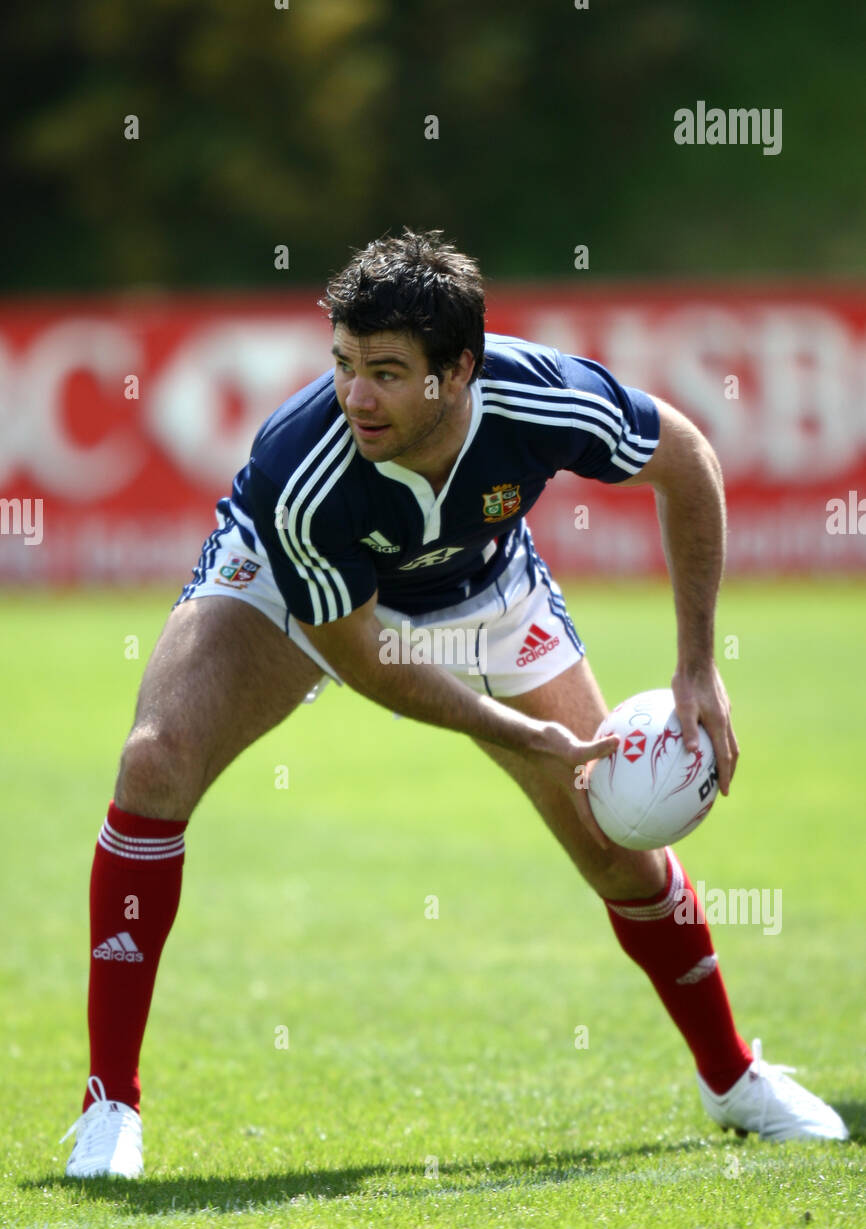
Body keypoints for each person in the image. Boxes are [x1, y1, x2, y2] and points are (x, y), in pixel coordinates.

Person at [61, 230, 847, 1178]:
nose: (355, 395)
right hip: (297, 596)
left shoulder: (541, 396)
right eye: (344, 365)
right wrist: (520, 732)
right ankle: (110, 1105)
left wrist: (696, 668)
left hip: (486, 594)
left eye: (387, 372)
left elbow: (686, 465)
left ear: (458, 371)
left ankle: (732, 1076)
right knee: (155, 759)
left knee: (618, 849)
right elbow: (373, 660)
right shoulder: (301, 472)